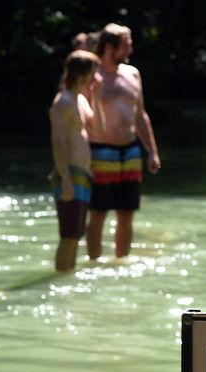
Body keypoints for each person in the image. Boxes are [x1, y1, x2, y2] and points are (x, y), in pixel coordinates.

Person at [86, 23, 160, 260]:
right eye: (126, 44)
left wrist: (152, 151)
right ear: (109, 46)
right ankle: (94, 263)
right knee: (98, 212)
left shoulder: (133, 73)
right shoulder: (92, 76)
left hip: (130, 151)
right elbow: (77, 115)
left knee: (127, 213)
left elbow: (141, 115)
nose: (130, 48)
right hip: (99, 150)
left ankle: (121, 262)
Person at [49, 50, 101, 272]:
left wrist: (94, 95)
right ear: (82, 75)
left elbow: (97, 127)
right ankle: (61, 277)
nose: (95, 79)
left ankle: (67, 275)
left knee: (76, 234)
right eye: (92, 74)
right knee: (69, 235)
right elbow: (58, 142)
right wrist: (66, 178)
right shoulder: (64, 102)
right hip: (69, 174)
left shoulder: (79, 99)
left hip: (81, 173)